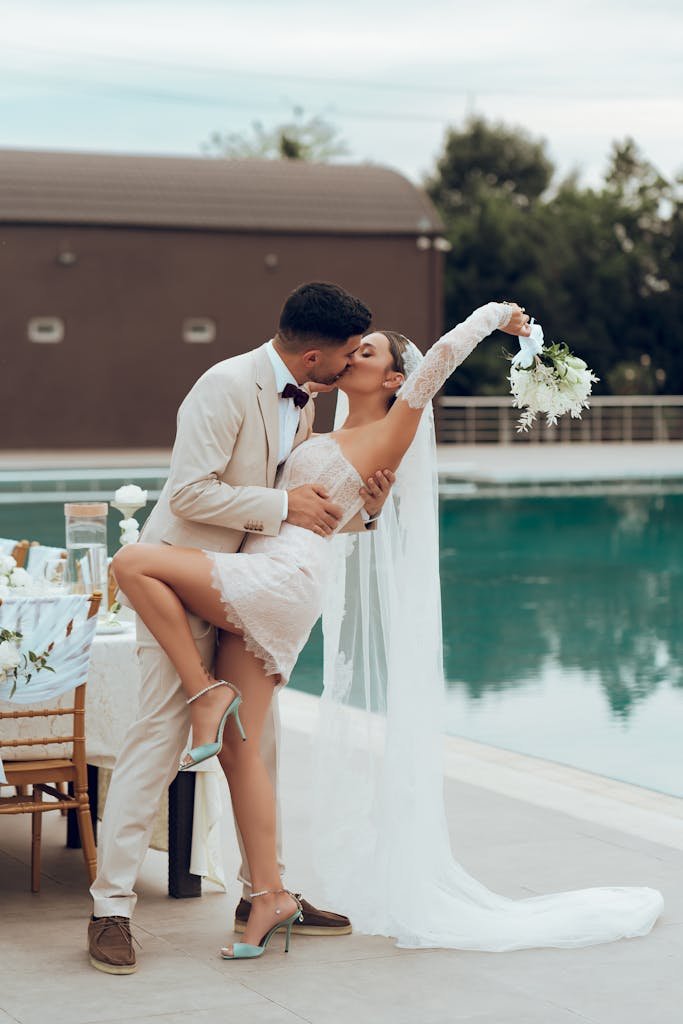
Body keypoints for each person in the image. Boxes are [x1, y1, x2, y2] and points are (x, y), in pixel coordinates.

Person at [110, 298, 547, 961]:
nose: (353, 358)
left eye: (367, 353)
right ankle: (268, 896)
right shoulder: (306, 422)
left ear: (396, 378)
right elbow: (307, 507)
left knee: (131, 561)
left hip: (276, 584)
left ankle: (204, 693)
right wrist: (362, 512)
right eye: (352, 348)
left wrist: (492, 317)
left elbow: (439, 363)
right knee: (240, 750)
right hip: (252, 569)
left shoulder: (397, 420)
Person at [88, 281, 396, 975]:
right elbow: (191, 491)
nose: (351, 365)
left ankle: (267, 891)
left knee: (259, 750)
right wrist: (280, 503)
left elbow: (310, 511)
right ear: (313, 353)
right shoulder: (224, 385)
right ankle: (109, 909)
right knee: (155, 745)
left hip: (250, 595)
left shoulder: (306, 399)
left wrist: (363, 512)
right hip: (181, 582)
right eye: (347, 354)